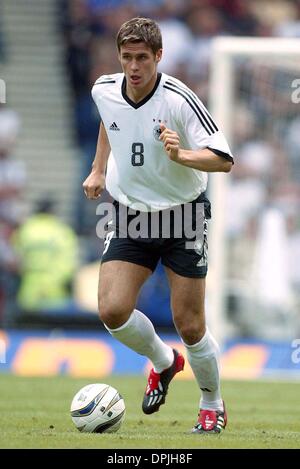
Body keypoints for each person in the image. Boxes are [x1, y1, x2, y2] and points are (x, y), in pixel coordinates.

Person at [83, 17, 234, 434]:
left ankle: (211, 402)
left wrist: (182, 155)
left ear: (159, 57)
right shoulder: (104, 90)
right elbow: (108, 121)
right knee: (112, 309)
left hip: (182, 214)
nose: (134, 67)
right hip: (130, 213)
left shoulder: (179, 99)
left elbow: (222, 158)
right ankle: (165, 362)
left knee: (189, 324)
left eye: (142, 58)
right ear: (119, 57)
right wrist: (98, 169)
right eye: (127, 58)